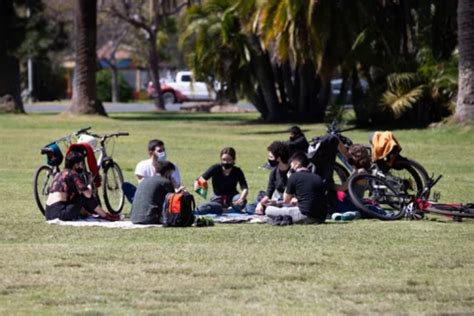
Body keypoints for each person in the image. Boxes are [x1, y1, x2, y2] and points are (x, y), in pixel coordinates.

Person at [45, 151, 119, 221]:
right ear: (75, 164)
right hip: (60, 214)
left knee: (80, 195)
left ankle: (92, 213)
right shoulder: (72, 173)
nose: (81, 165)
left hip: (48, 213)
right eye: (80, 163)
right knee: (85, 195)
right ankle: (105, 215)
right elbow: (88, 194)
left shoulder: (59, 173)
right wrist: (89, 183)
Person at [265, 152, 327, 224]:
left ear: (296, 163)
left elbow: (286, 200)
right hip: (321, 217)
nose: (290, 167)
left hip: (305, 215)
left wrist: (289, 178)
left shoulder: (294, 176)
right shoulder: (317, 177)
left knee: (268, 210)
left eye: (291, 164)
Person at [123, 139, 182, 203]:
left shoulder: (172, 167)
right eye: (160, 151)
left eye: (164, 150)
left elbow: (176, 187)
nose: (163, 153)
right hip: (148, 196)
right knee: (126, 186)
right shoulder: (142, 166)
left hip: (165, 197)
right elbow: (143, 186)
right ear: (151, 153)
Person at [194, 147, 249, 214]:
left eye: (229, 160)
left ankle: (226, 210)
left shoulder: (237, 171)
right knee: (202, 208)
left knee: (242, 202)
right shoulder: (215, 168)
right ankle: (226, 210)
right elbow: (200, 180)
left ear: (233, 160)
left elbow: (244, 188)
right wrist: (199, 189)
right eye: (224, 160)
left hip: (233, 198)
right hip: (217, 199)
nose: (226, 162)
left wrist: (241, 199)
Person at [131, 160, 176, 224]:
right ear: (167, 172)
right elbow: (173, 203)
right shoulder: (165, 182)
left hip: (134, 218)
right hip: (150, 218)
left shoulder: (144, 181)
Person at [255, 141, 291, 215]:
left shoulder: (293, 173)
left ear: (279, 158)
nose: (269, 160)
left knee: (271, 210)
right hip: (277, 200)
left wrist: (277, 203)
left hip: (288, 202)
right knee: (251, 206)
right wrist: (260, 204)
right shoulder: (274, 172)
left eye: (271, 157)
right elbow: (269, 193)